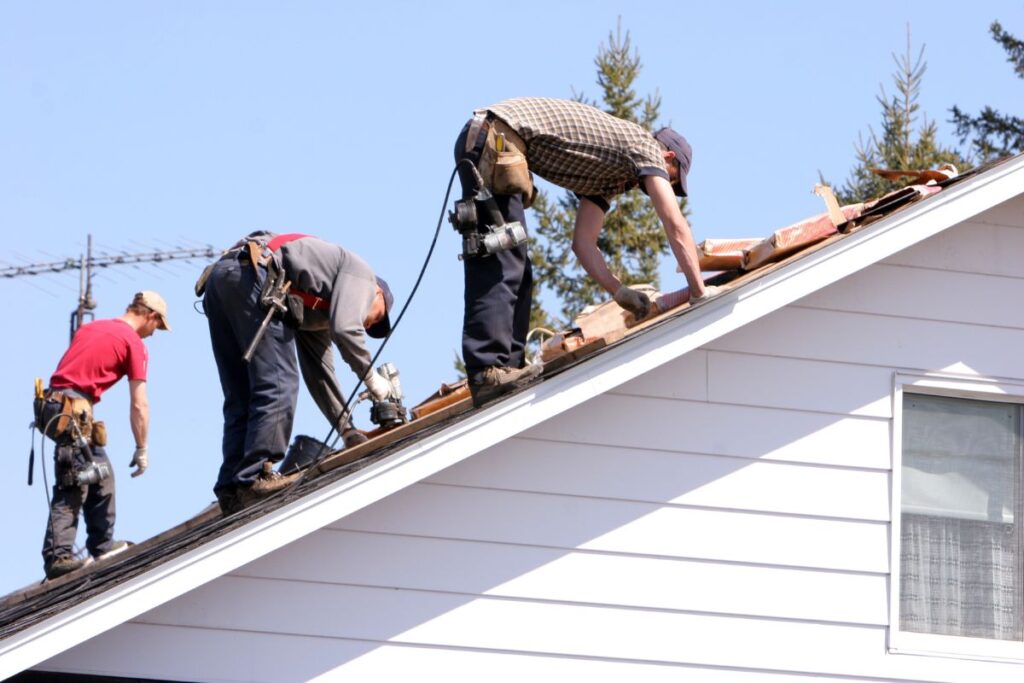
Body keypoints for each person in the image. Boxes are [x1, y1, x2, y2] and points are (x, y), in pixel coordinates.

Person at [454, 97, 717, 406]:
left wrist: (619, 292)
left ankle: (508, 369)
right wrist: (699, 291)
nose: (667, 186)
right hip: (495, 136)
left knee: (518, 268)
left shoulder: (608, 177)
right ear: (667, 156)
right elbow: (674, 223)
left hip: (496, 140)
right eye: (672, 178)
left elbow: (583, 243)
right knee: (502, 257)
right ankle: (488, 372)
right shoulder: (646, 148)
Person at [203, 231, 394, 514]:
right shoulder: (362, 275)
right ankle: (256, 477)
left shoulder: (316, 307)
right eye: (377, 316)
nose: (368, 324)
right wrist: (371, 378)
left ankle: (232, 488)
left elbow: (320, 373)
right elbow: (346, 330)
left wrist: (347, 430)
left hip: (225, 278)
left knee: (242, 394)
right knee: (279, 383)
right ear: (377, 292)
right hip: (254, 274)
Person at [36, 291, 170, 580]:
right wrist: (142, 447)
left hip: (55, 404)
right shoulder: (133, 343)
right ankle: (58, 557)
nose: (153, 334)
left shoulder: (92, 328)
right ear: (151, 315)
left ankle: (102, 545)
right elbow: (139, 403)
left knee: (101, 474)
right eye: (156, 327)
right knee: (75, 481)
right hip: (72, 409)